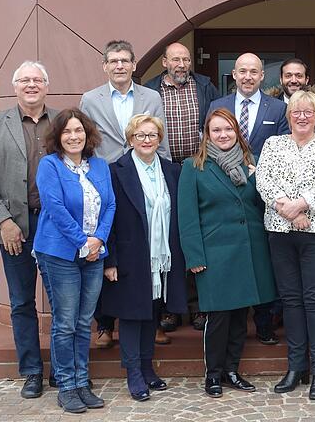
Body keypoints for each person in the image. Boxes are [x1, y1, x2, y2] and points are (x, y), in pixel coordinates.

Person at [178, 108, 277, 398]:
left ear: (237, 133)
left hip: (250, 248)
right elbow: (187, 217)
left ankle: (232, 370)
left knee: (239, 315)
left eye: (228, 130)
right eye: (216, 130)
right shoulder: (193, 167)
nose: (223, 135)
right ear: (207, 135)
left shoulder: (252, 163)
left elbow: (263, 204)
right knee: (219, 316)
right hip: (215, 252)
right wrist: (194, 256)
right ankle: (213, 374)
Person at [0, 61, 58, 399]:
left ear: (46, 85)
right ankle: (32, 372)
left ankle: (62, 369)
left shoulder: (63, 122)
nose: (31, 85)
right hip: (15, 228)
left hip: (55, 225)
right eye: (24, 80)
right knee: (23, 301)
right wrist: (4, 222)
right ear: (14, 86)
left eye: (37, 79)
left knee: (61, 301)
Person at [80, 39, 170, 348]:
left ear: (134, 65)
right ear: (105, 66)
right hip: (106, 182)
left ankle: (152, 319)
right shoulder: (90, 100)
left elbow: (162, 137)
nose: (119, 65)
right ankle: (105, 325)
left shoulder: (151, 96)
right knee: (110, 247)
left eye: (125, 60)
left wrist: (165, 177)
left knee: (148, 245)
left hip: (145, 178)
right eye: (114, 61)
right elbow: (86, 144)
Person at [256, 90, 315, 400]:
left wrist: (303, 205)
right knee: (291, 300)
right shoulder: (273, 145)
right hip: (280, 232)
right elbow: (264, 180)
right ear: (289, 115)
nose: (302, 116)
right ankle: (296, 367)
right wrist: (290, 212)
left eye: (308, 112)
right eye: (297, 111)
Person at [33, 108, 116, 413]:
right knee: (65, 322)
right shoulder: (50, 166)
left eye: (78, 130)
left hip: (94, 252)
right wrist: (84, 243)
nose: (73, 136)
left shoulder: (99, 165)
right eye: (67, 132)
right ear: (57, 136)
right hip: (59, 253)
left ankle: (82, 381)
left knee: (84, 322)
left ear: (87, 134)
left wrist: (99, 240)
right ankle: (66, 385)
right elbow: (54, 209)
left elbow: (110, 204)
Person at [99, 115, 187, 401]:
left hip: (163, 256)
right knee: (131, 315)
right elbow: (107, 217)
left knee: (152, 313)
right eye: (140, 135)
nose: (147, 140)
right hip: (130, 254)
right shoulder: (117, 170)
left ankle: (148, 368)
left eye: (152, 135)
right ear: (130, 139)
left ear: (160, 139)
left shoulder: (172, 170)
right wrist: (109, 259)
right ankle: (133, 373)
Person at [208, 52, 289, 345]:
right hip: (226, 195)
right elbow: (211, 144)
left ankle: (265, 321)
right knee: (235, 259)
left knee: (263, 261)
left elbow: (282, 151)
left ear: (262, 76)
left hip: (263, 195)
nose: (247, 77)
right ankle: (233, 321)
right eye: (242, 71)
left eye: (254, 72)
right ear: (234, 74)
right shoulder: (218, 106)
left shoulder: (278, 109)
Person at [144, 42, 222, 333]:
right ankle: (171, 307)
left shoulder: (204, 86)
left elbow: (213, 124)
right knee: (168, 236)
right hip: (163, 170)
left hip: (198, 168)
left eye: (186, 59)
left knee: (197, 234)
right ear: (164, 61)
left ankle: (199, 306)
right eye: (175, 59)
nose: (181, 64)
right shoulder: (151, 90)